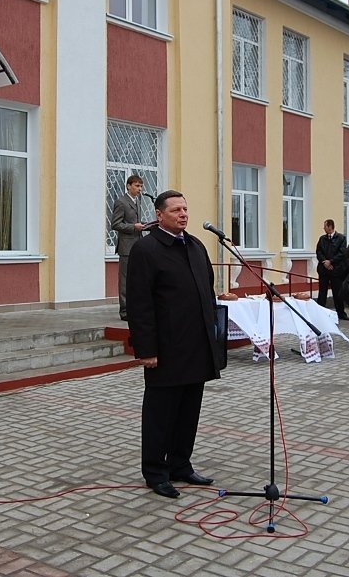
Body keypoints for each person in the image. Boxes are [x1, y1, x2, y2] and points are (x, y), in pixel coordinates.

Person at [126, 190, 225, 499]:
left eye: (185, 209)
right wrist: (146, 349)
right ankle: (155, 472)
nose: (183, 214)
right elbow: (139, 304)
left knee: (188, 412)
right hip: (166, 349)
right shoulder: (146, 249)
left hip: (197, 346)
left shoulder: (195, 246)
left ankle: (180, 464)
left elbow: (207, 292)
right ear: (159, 215)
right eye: (176, 210)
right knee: (160, 414)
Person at [111, 174, 147, 321]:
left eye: (141, 186)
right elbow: (115, 224)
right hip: (126, 247)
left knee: (137, 278)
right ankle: (125, 311)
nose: (140, 189)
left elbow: (136, 221)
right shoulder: (121, 202)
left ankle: (135, 308)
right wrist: (134, 227)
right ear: (128, 186)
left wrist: (146, 225)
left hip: (137, 245)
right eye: (137, 186)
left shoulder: (137, 201)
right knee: (125, 280)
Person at [315, 219, 349, 319]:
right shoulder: (322, 239)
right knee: (322, 292)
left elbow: (342, 253)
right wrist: (324, 262)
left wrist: (331, 261)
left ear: (330, 227)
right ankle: (320, 313)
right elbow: (319, 251)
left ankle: (341, 313)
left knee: (337, 292)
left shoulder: (341, 238)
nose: (324, 228)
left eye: (325, 226)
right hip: (323, 270)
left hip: (336, 270)